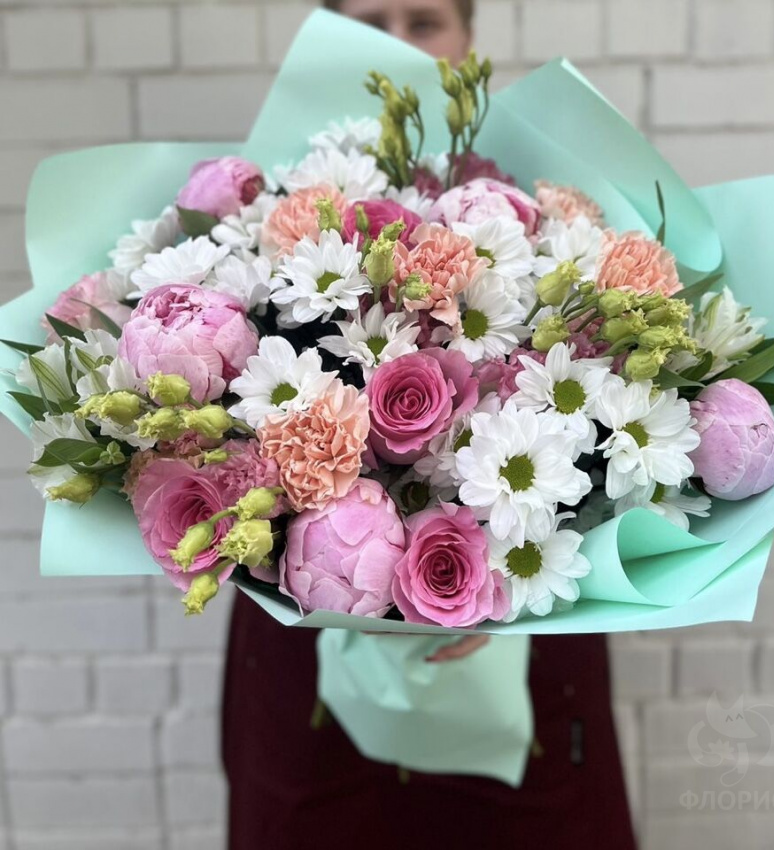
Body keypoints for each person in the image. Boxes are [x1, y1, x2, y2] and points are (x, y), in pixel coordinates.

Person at [222, 1, 638, 847]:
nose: (397, 44)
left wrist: (502, 583)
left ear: (467, 42)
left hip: (520, 643)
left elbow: (604, 448)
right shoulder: (272, 225)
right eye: (370, 21)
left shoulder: (538, 219)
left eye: (424, 20)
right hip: (310, 656)